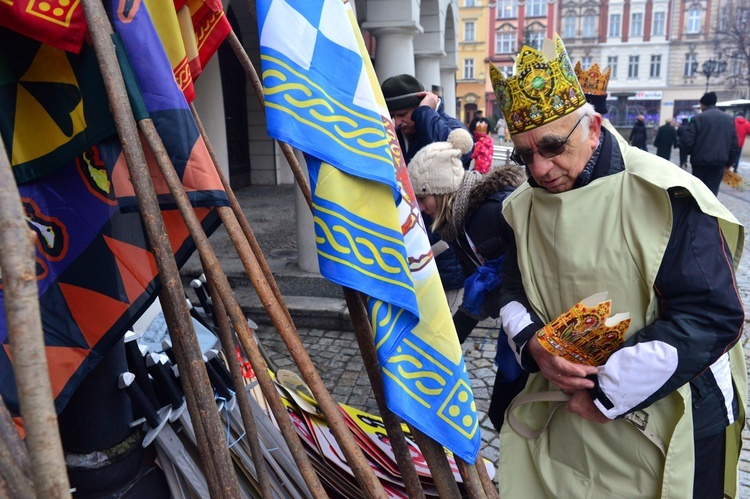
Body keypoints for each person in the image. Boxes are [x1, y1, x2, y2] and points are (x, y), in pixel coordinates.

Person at [491, 34, 746, 498]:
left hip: (676, 404)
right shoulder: (519, 207)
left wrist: (605, 391)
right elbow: (511, 289)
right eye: (525, 154)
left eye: (552, 146)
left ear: (592, 128)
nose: (541, 169)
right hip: (567, 411)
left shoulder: (665, 195)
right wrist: (533, 346)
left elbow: (712, 315)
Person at [407, 128, 528, 430]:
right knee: (502, 414)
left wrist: (498, 287)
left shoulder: (489, 213)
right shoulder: (456, 225)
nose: (421, 208)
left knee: (509, 414)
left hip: (533, 325)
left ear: (443, 191)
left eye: (424, 197)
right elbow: (481, 296)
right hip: (510, 323)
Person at [381, 74, 471, 167]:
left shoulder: (454, 127)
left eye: (402, 114)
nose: (397, 123)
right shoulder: (395, 135)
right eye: (392, 116)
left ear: (421, 105)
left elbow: (453, 157)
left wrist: (425, 112)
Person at [681, 92, 740, 195]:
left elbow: (688, 141)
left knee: (698, 193)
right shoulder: (728, 119)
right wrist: (729, 161)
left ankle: (698, 210)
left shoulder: (698, 118)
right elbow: (734, 143)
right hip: (719, 162)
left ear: (703, 104)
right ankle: (709, 210)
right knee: (712, 193)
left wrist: (693, 153)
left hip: (700, 161)